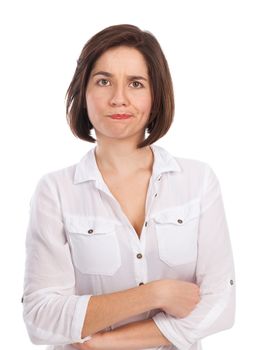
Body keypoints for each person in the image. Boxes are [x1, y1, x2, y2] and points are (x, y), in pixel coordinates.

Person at [22, 24, 235, 350]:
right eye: (104, 81)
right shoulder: (56, 191)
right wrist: (156, 293)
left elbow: (220, 304)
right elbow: (40, 318)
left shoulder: (197, 182)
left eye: (136, 84)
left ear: (155, 95)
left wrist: (103, 343)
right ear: (84, 93)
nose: (118, 98)